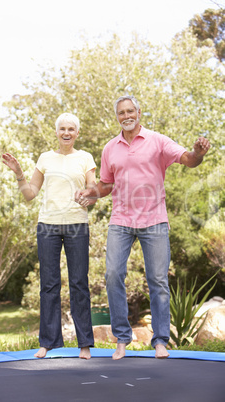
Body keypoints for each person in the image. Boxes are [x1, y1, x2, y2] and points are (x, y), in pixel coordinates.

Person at [76, 95, 210, 360]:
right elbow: (105, 185)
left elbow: (187, 159)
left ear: (138, 112)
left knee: (158, 281)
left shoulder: (157, 141)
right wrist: (89, 194)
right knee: (113, 275)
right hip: (121, 221)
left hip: (154, 220)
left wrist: (198, 153)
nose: (126, 116)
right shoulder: (110, 148)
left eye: (130, 111)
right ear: (117, 117)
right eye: (121, 113)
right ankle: (122, 339)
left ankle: (160, 340)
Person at [3, 113, 96, 360]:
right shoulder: (45, 158)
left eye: (71, 129)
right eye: (62, 129)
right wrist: (19, 173)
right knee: (49, 284)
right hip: (48, 226)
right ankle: (48, 342)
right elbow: (30, 193)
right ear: (56, 132)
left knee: (79, 283)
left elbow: (93, 188)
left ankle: (84, 344)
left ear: (77, 133)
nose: (67, 133)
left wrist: (90, 194)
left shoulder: (85, 158)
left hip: (77, 225)